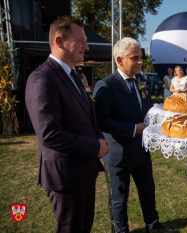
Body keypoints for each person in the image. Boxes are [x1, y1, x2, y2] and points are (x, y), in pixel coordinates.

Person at [25, 16, 109, 233]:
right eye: (80, 40)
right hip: (65, 176)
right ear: (60, 42)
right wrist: (94, 147)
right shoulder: (42, 78)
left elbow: (89, 114)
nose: (87, 46)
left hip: (84, 170)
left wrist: (99, 138)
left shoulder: (75, 76)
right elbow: (49, 133)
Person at [93, 38, 175, 233]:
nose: (140, 62)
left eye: (141, 57)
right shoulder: (105, 85)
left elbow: (145, 111)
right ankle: (121, 230)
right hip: (119, 152)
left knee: (148, 191)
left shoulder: (141, 81)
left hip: (142, 150)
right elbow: (102, 121)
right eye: (135, 58)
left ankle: (153, 225)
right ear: (120, 60)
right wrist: (133, 128)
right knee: (119, 198)